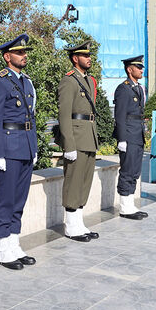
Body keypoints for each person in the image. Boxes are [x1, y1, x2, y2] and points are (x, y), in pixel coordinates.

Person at [0, 34, 38, 270]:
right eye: (19, 52)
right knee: (5, 200)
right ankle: (2, 248)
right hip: (8, 147)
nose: (24, 55)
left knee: (19, 200)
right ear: (7, 57)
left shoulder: (26, 81)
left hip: (25, 145)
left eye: (25, 52)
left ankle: (14, 243)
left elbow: (32, 118)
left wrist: (34, 147)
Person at [57, 41, 101, 239]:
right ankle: (70, 226)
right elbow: (64, 115)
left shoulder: (89, 80)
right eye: (84, 55)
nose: (89, 58)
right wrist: (69, 144)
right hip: (76, 136)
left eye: (89, 55)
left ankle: (79, 223)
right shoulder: (69, 81)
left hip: (89, 135)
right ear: (75, 59)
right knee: (73, 182)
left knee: (84, 182)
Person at [112, 55, 148, 220]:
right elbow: (119, 116)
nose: (142, 70)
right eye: (138, 67)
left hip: (138, 133)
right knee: (127, 170)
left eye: (142, 67)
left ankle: (130, 203)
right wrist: (122, 139)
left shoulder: (139, 88)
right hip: (128, 134)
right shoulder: (123, 88)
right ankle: (125, 207)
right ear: (129, 69)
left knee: (135, 170)